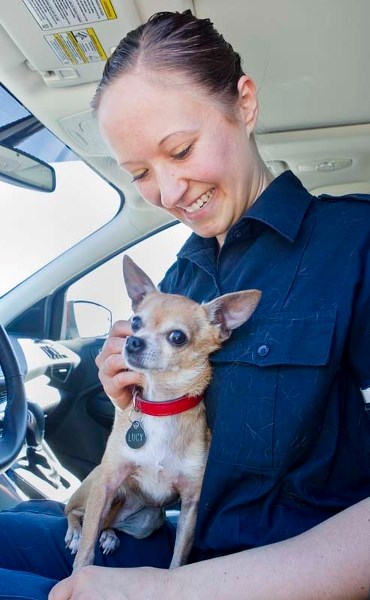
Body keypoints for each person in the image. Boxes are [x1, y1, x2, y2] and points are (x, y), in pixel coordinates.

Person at [0, 10, 369, 600]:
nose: (168, 193)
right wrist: (128, 391)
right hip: (177, 540)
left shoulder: (354, 245)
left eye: (182, 149)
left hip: (268, 577)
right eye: (141, 172)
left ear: (244, 105)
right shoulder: (181, 274)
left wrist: (170, 592)